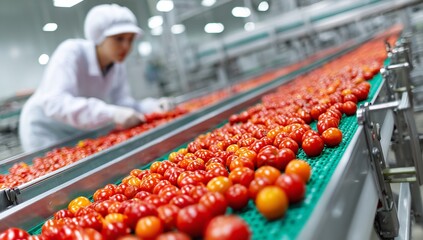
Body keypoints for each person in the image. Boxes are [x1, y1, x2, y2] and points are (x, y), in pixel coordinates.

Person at [19, 4, 174, 152]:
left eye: (130, 39)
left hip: (80, 130)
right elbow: (55, 103)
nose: (126, 46)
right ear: (99, 37)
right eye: (119, 39)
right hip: (46, 128)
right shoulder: (72, 52)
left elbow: (122, 103)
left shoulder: (116, 64)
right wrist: (111, 113)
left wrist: (151, 107)